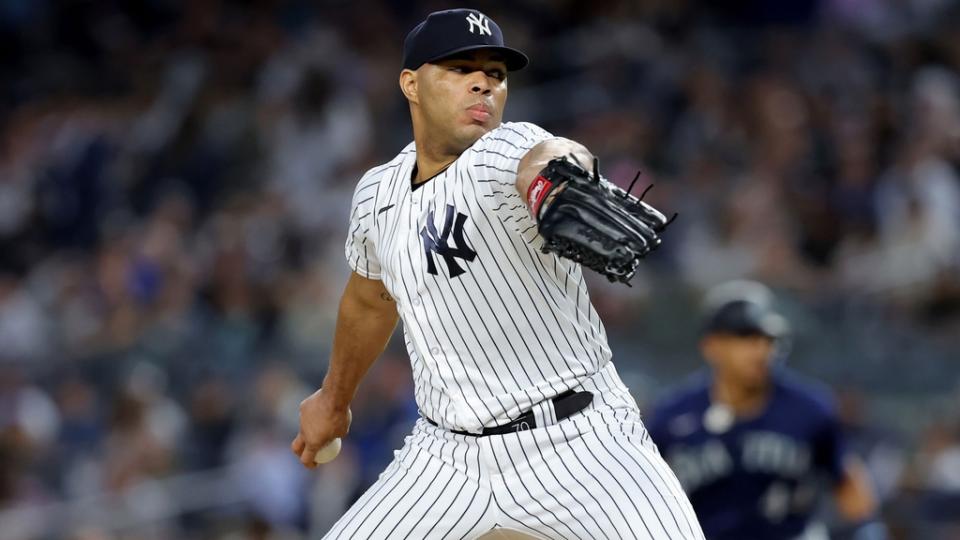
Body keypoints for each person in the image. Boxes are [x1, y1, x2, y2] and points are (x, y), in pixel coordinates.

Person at [291, 8, 704, 540]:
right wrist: (333, 399)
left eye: (496, 74)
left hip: (581, 443)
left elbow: (549, 155)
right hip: (445, 458)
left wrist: (558, 179)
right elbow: (370, 301)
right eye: (461, 68)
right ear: (411, 85)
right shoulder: (377, 193)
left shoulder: (502, 152)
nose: (482, 82)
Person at [646, 280, 884, 540]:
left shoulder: (809, 408)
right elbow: (643, 493)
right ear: (712, 346)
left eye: (767, 339)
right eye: (745, 337)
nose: (760, 350)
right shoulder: (672, 416)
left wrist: (867, 529)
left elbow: (846, 478)